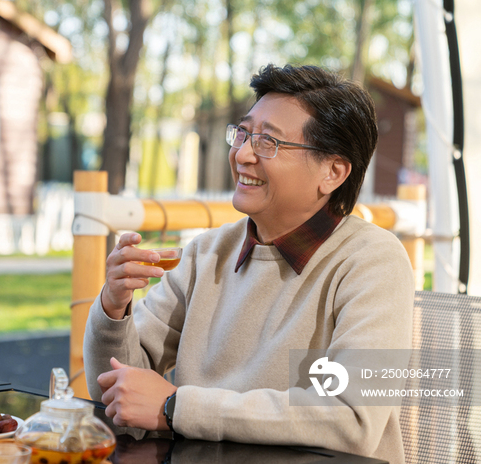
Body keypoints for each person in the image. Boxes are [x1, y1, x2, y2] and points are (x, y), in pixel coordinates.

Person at [83, 64, 414, 463]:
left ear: (333, 171)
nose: (242, 154)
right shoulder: (207, 252)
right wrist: (113, 307)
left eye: (268, 143)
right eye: (243, 133)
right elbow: (118, 395)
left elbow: (351, 418)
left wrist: (176, 407)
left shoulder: (373, 261)